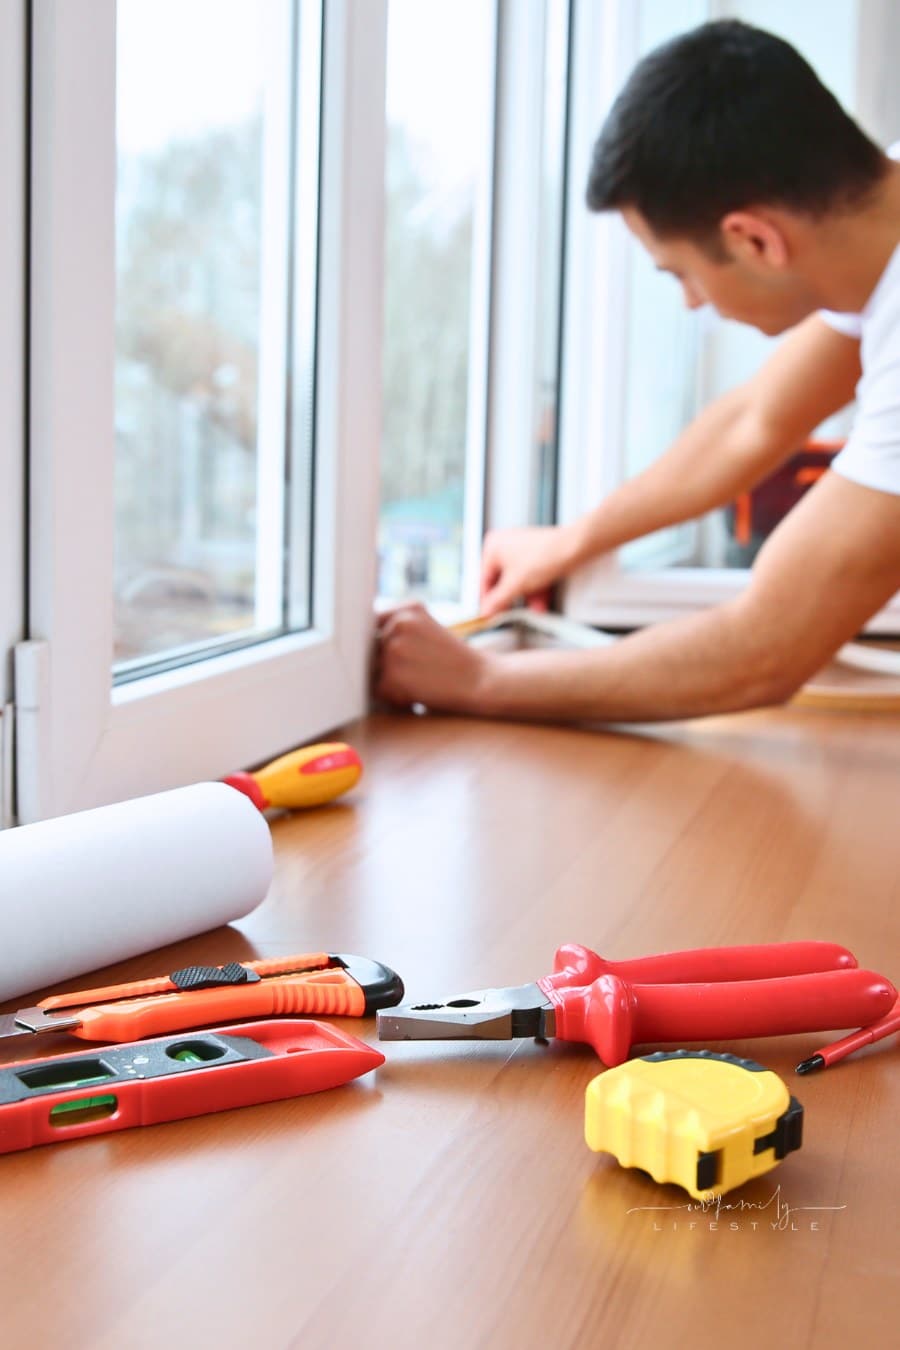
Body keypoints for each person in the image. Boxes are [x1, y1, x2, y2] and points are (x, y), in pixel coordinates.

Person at [374, 19, 900, 724]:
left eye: (682, 272)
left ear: (754, 240)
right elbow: (756, 420)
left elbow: (763, 650)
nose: (691, 303)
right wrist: (573, 540)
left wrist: (477, 680)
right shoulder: (877, 217)